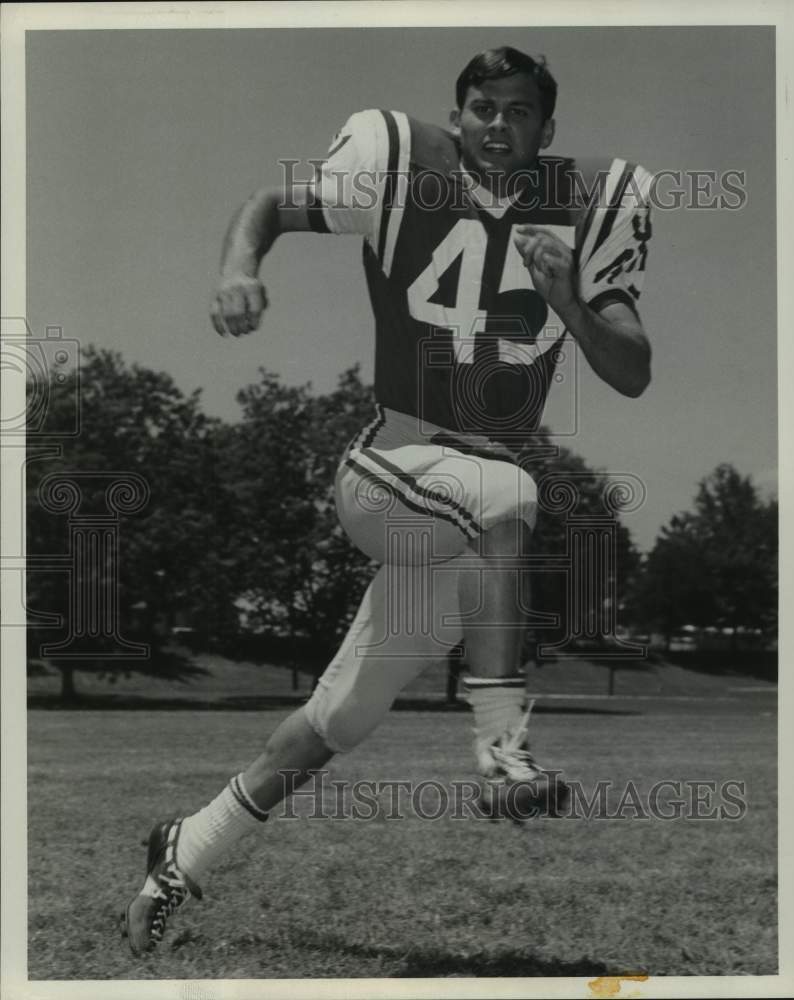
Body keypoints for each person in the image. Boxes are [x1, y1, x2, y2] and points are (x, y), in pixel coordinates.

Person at [123, 45, 653, 956]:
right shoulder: (399, 158)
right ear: (457, 117)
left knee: (336, 723)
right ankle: (501, 747)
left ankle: (182, 852)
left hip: (464, 516)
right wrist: (237, 269)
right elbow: (269, 205)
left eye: (518, 111)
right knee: (508, 492)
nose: (497, 124)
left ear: (547, 129)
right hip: (392, 463)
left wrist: (567, 299)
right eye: (482, 107)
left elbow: (633, 370)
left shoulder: (596, 201)